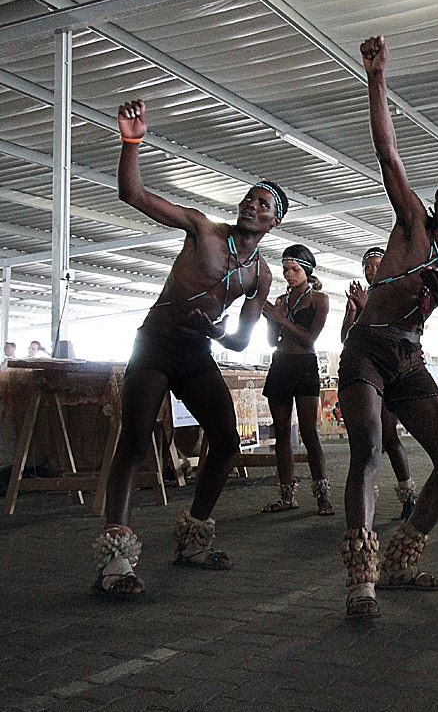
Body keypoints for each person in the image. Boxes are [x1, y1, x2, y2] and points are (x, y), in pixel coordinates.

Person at [92, 99, 283, 598]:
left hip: (196, 351)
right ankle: (115, 561)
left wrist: (214, 332)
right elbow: (132, 193)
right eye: (249, 198)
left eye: (263, 204)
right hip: (156, 344)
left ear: (274, 223)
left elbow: (241, 340)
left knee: (227, 440)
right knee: (135, 440)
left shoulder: (260, 275)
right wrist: (132, 142)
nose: (252, 205)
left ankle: (193, 538)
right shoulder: (202, 229)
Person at [338, 34, 438, 619]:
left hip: (409, 355)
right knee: (368, 451)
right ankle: (361, 579)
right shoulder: (411, 221)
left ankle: (402, 558)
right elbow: (388, 153)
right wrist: (377, 78)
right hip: (367, 348)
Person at [340, 246, 417, 519]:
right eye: (368, 267)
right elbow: (345, 337)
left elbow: (393, 331)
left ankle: (408, 495)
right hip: (363, 373)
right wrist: (353, 310)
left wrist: (365, 307)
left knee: (389, 436)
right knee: (365, 441)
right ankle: (363, 502)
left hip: (389, 372)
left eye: (377, 265)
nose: (372, 271)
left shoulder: (396, 292)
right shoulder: (361, 297)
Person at [259, 244, 333, 516]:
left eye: (295, 269)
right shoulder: (281, 301)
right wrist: (270, 320)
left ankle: (322, 496)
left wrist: (281, 319)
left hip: (304, 365)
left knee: (309, 431)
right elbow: (271, 341)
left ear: (307, 271)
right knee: (281, 433)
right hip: (281, 364)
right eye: (286, 270)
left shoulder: (319, 300)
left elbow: (310, 339)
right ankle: (287, 496)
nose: (289, 274)